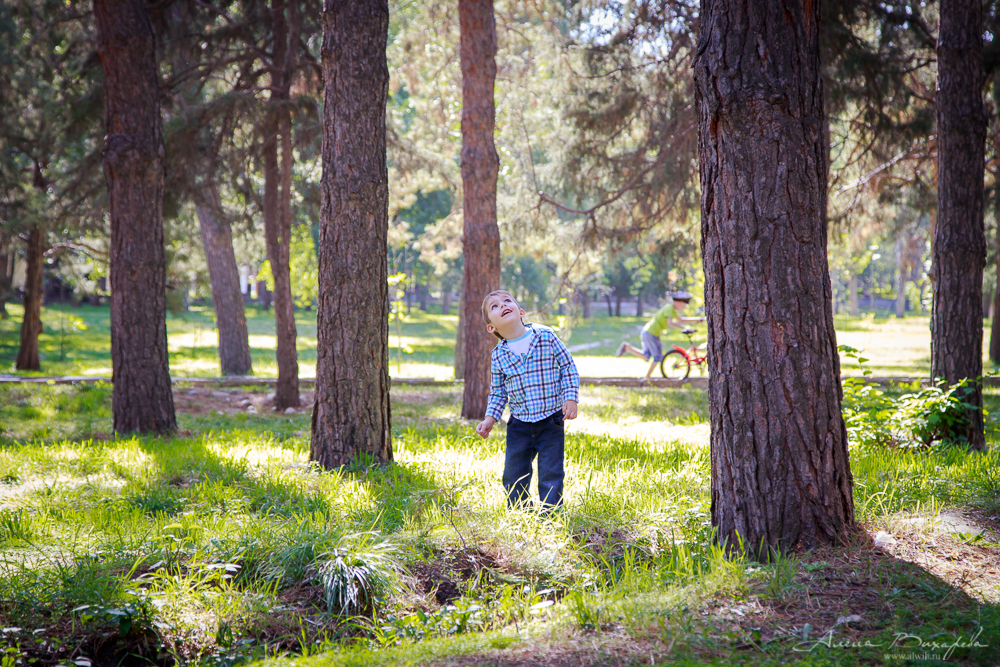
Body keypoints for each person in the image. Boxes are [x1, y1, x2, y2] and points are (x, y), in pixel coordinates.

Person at [475, 289, 579, 511]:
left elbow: (568, 366)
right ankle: (520, 511)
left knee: (551, 471)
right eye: (495, 306)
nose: (503, 305)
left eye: (507, 301)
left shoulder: (545, 336)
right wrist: (490, 419)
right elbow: (498, 392)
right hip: (519, 424)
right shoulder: (498, 355)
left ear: (521, 312)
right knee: (514, 472)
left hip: (551, 419)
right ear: (491, 328)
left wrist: (570, 397)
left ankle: (551, 514)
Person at [615, 291, 704, 381]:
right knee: (657, 357)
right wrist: (685, 328)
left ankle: (628, 348)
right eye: (684, 305)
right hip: (651, 333)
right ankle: (647, 377)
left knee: (646, 357)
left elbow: (680, 320)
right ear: (678, 302)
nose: (684, 307)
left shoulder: (671, 309)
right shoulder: (670, 308)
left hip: (649, 332)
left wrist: (697, 319)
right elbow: (670, 323)